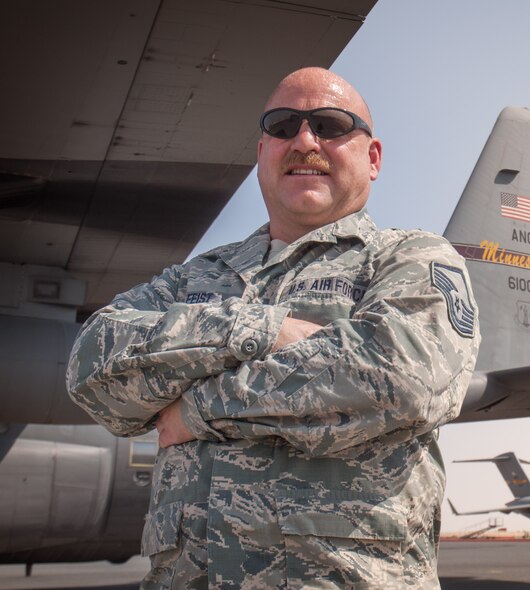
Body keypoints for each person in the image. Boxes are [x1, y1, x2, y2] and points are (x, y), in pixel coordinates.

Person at [67, 67, 480, 589]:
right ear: (262, 152)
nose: (305, 140)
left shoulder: (408, 258)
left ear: (372, 158)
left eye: (330, 125)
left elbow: (403, 380)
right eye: (283, 125)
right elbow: (90, 365)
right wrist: (260, 327)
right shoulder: (197, 275)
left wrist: (197, 408)